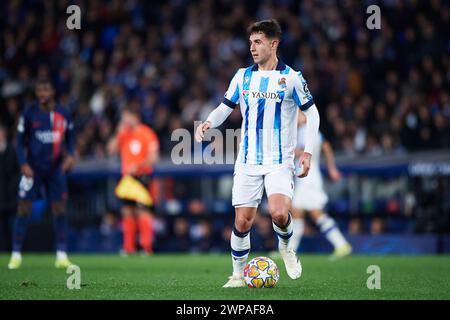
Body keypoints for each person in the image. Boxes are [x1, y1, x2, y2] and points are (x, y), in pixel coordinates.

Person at [195, 19, 320, 287]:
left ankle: (286, 248)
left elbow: (312, 113)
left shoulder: (292, 78)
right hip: (248, 160)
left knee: (277, 213)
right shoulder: (243, 76)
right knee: (242, 222)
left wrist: (308, 152)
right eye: (251, 42)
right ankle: (238, 275)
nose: (252, 47)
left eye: (258, 42)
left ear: (274, 44)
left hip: (279, 161)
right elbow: (225, 107)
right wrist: (208, 122)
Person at [8, 78, 75, 269]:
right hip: (33, 169)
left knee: (60, 208)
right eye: (39, 90)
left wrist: (71, 155)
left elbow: (71, 138)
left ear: (53, 91)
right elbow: (19, 142)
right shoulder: (29, 112)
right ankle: (16, 254)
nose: (42, 94)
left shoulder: (64, 113)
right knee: (23, 208)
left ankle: (61, 255)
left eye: (46, 89)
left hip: (55, 170)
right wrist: (23, 163)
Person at [290, 112, 352, 259]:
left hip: (308, 179)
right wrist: (331, 168)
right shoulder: (311, 131)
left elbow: (304, 152)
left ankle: (341, 244)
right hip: (307, 178)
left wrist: (285, 150)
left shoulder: (306, 130)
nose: (295, 116)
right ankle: (289, 251)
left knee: (312, 212)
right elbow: (326, 146)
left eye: (298, 114)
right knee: (300, 212)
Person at [108, 106, 159, 256]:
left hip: (142, 177)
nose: (124, 120)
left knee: (143, 211)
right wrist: (118, 133)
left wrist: (138, 166)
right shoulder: (124, 134)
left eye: (126, 117)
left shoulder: (146, 133)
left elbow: (153, 157)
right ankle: (128, 247)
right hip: (127, 179)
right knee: (127, 211)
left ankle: (146, 247)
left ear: (134, 116)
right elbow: (110, 150)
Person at [0, 126, 20, 252]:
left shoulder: (12, 151)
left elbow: (17, 173)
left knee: (13, 226)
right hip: (1, 198)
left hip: (11, 198)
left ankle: (15, 251)